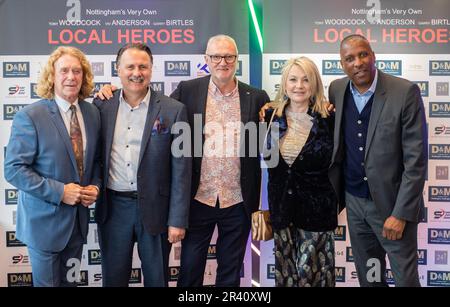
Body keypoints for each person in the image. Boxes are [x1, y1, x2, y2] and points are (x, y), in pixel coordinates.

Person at [328, 34, 427, 287]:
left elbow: (415, 163)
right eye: (349, 58)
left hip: (392, 207)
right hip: (355, 204)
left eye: (363, 55)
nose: (358, 63)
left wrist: (401, 214)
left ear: (373, 56)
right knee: (370, 276)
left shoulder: (404, 92)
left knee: (405, 279)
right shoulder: (337, 90)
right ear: (342, 64)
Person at [92, 43, 191, 287]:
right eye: (130, 66)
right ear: (118, 70)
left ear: (151, 69)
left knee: (157, 280)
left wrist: (177, 219)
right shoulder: (101, 106)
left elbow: (182, 169)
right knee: (114, 279)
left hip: (156, 209)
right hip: (113, 208)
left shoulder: (174, 110)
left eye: (143, 66)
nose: (137, 72)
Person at [4, 46, 101, 287]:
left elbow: (97, 162)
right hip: (43, 226)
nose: (71, 77)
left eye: (77, 71)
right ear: (52, 76)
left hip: (77, 227)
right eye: (64, 70)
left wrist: (96, 188)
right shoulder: (31, 116)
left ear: (84, 76)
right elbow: (14, 169)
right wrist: (60, 192)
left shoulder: (92, 113)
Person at [262, 57, 338, 287]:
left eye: (306, 80)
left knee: (314, 278)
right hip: (282, 212)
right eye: (293, 79)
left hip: (317, 214)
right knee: (285, 279)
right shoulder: (270, 116)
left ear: (315, 84)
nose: (299, 86)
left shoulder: (329, 118)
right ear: (285, 84)